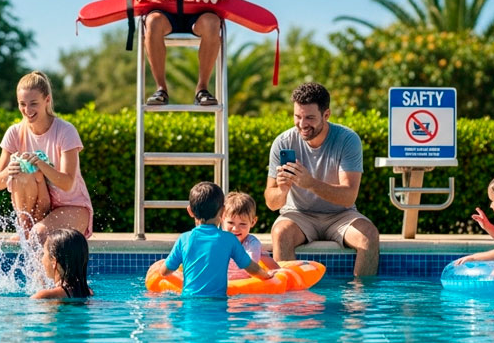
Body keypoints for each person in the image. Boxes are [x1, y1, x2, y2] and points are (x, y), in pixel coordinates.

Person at [264, 83, 380, 277]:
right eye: (297, 116)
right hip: (298, 215)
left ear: (326, 115)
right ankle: (290, 302)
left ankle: (359, 301)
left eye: (309, 117)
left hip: (341, 215)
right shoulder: (283, 142)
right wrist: (282, 190)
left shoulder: (347, 140)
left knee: (369, 235)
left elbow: (349, 196)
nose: (302, 124)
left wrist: (310, 183)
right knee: (280, 233)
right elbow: (271, 203)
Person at [0, 71, 93, 243]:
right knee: (20, 171)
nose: (27, 110)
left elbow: (67, 183)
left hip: (71, 206)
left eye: (33, 103)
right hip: (38, 208)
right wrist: (9, 171)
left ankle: (31, 234)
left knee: (39, 235)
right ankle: (25, 227)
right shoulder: (14, 133)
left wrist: (40, 163)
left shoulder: (65, 131)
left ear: (47, 100)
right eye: (22, 104)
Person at [154, 182, 274, 296]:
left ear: (190, 211)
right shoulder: (229, 240)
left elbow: (164, 272)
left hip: (189, 303)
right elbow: (250, 268)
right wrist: (267, 276)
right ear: (222, 211)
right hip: (218, 303)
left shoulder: (183, 239)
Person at [0, 228, 93, 299]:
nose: (41, 258)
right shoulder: (88, 292)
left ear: (54, 262)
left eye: (44, 253)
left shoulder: (43, 295)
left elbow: (22, 314)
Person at [223, 192, 263, 280]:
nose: (235, 229)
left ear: (253, 222)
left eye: (242, 224)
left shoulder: (252, 244)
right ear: (222, 218)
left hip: (241, 284)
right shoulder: (218, 240)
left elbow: (251, 267)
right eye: (230, 223)